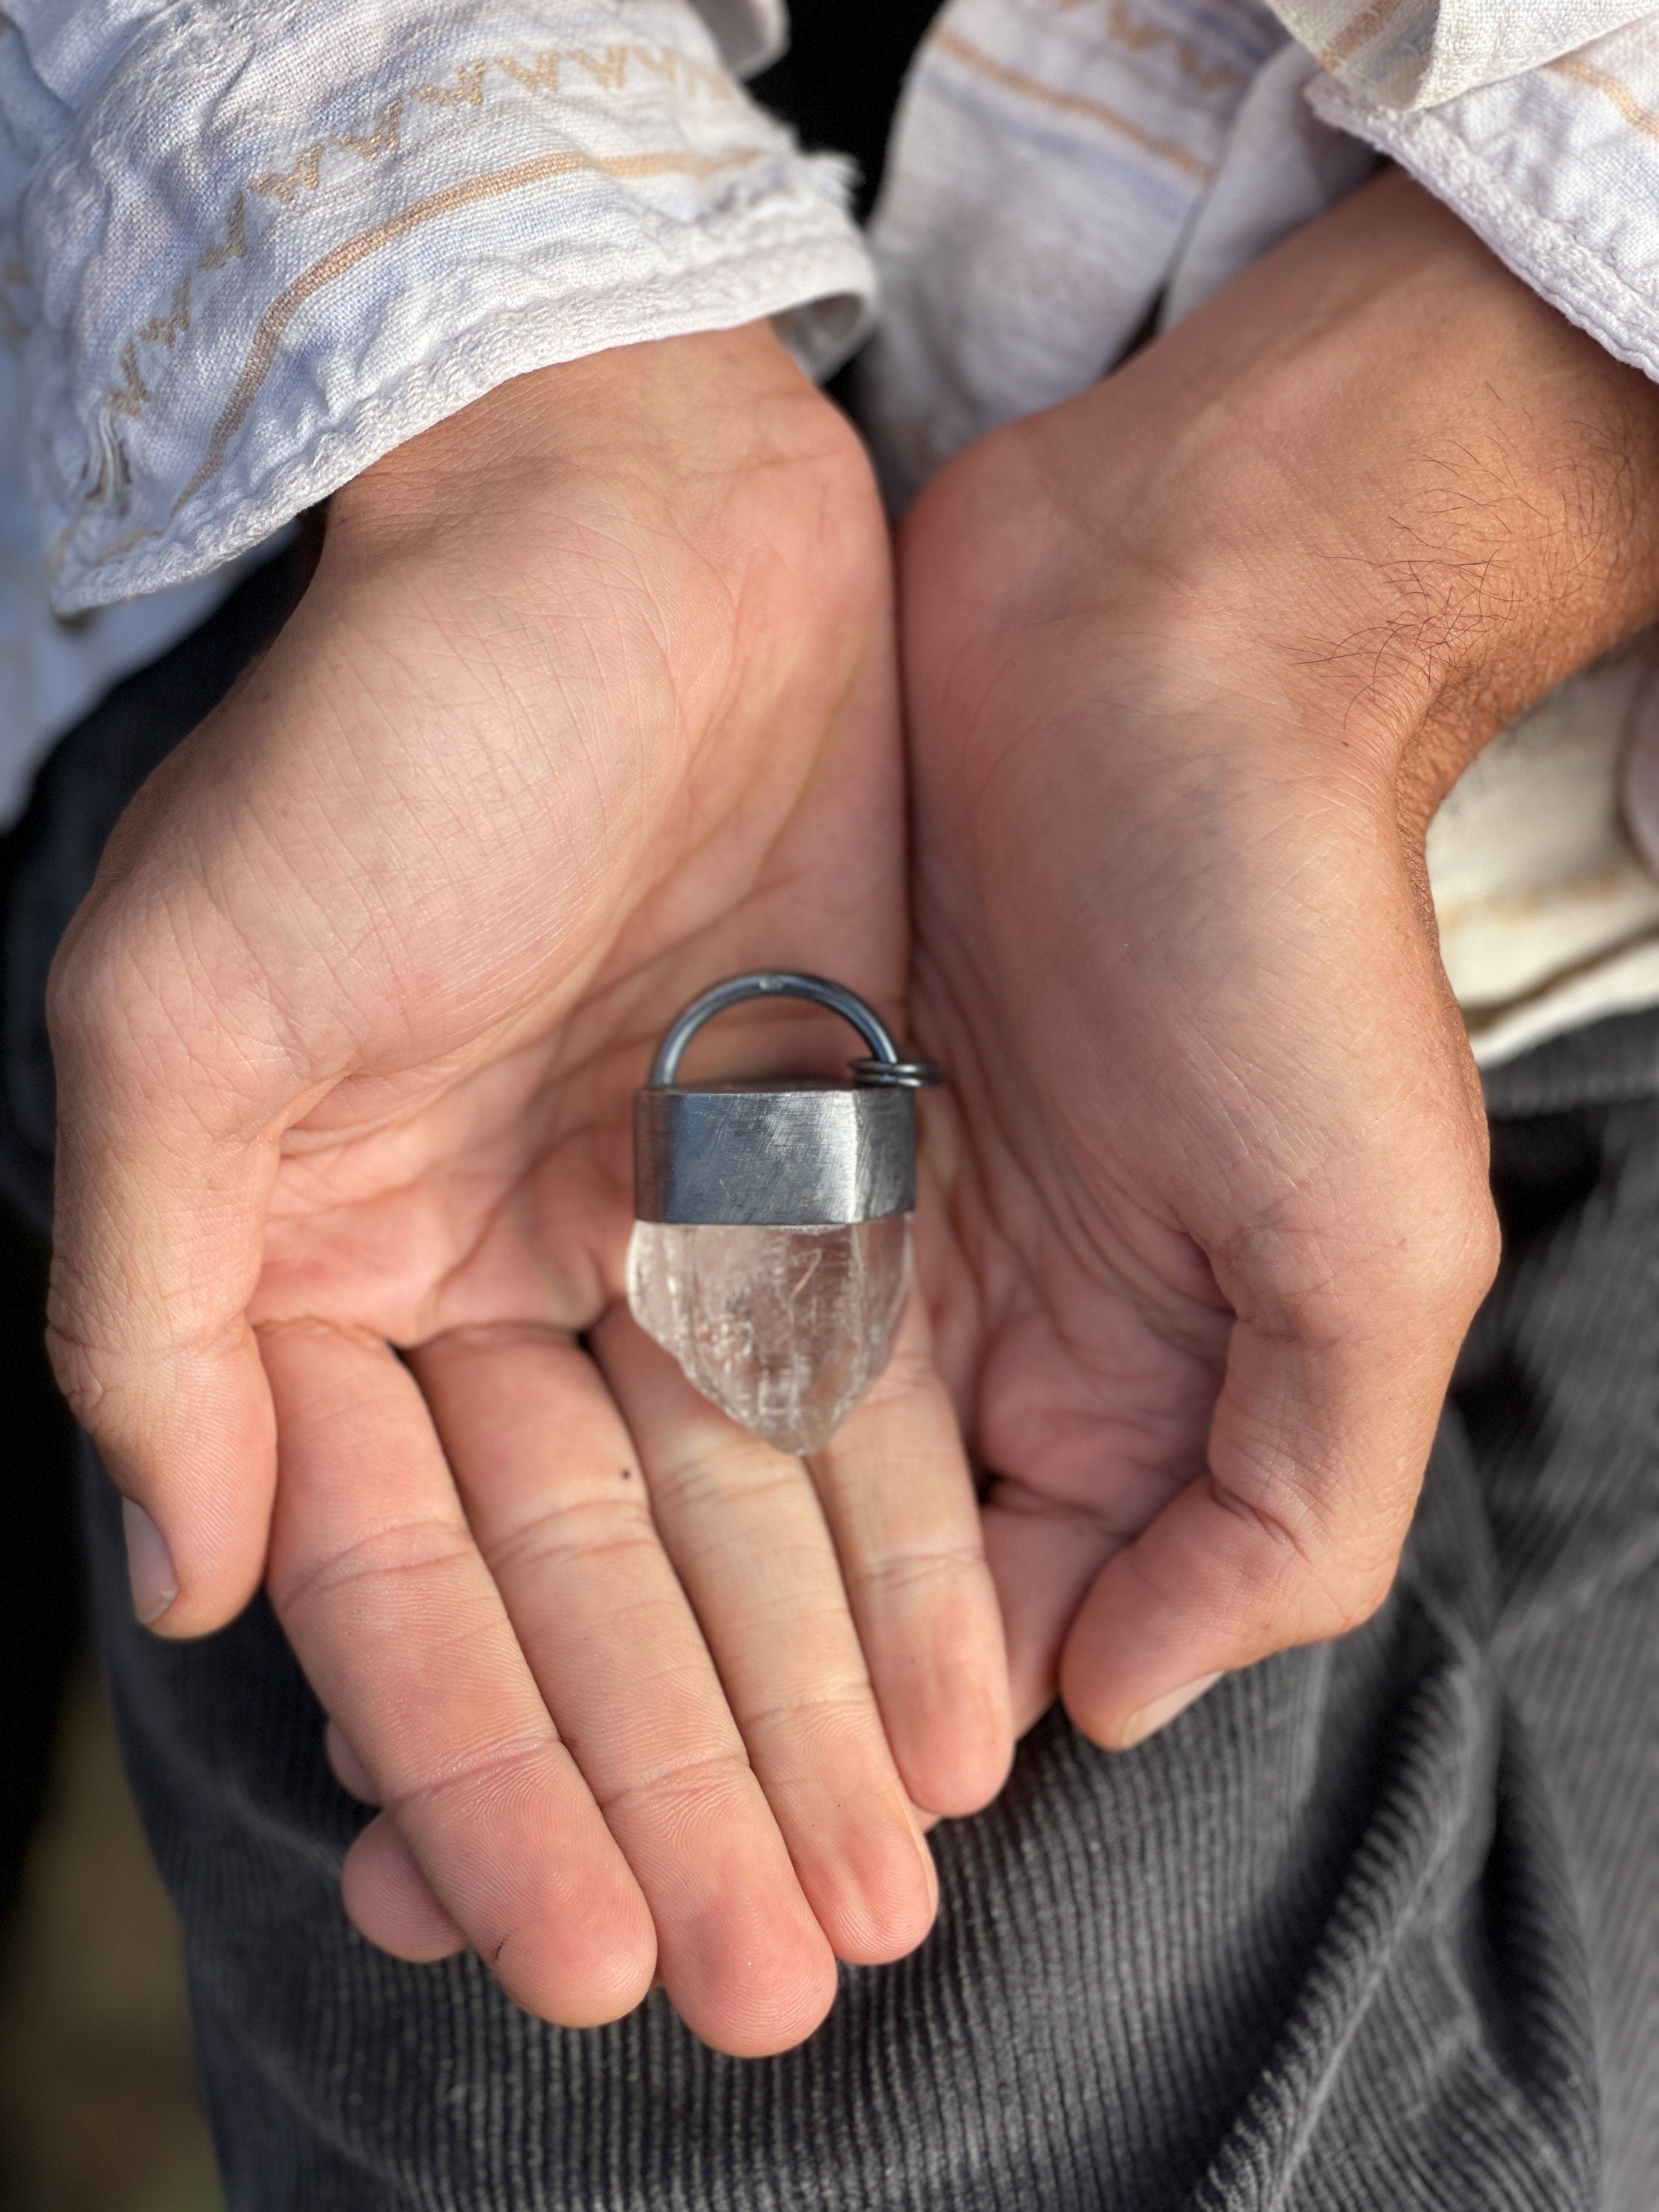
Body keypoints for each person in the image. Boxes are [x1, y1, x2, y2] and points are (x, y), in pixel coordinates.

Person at [0, 0, 1653, 2203]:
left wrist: (1406, 512)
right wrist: (522, 396)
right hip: (348, 563)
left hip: (1569, 836)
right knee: (804, 2074)